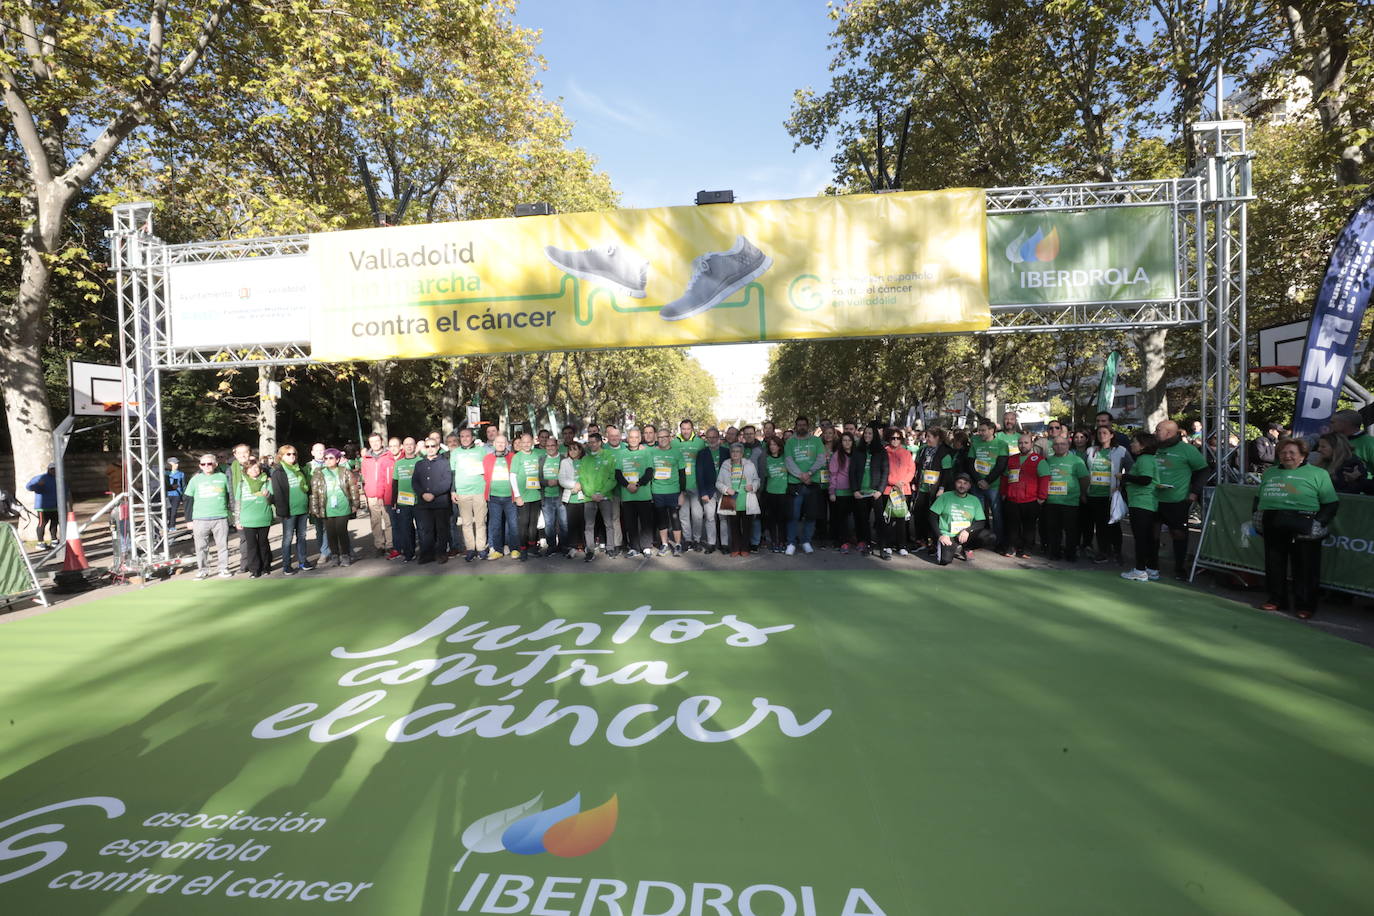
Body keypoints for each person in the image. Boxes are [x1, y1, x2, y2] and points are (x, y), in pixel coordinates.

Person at [1254, 438, 1339, 619]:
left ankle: (1305, 605)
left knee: (1305, 566)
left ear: (1303, 456)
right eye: (1283, 452)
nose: (1287, 456)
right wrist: (1256, 516)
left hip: (1303, 521)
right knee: (1274, 563)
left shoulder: (1318, 474)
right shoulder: (1269, 473)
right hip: (1273, 520)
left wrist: (1319, 523)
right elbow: (1258, 498)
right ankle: (1277, 599)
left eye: (1292, 453)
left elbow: (1331, 503)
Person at [1154, 419, 1209, 579]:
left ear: (1169, 433)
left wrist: (1194, 492)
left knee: (1178, 533)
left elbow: (1204, 470)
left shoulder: (1187, 450)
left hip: (1177, 499)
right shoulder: (1154, 448)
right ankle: (1151, 564)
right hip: (1153, 498)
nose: (1155, 433)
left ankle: (1179, 567)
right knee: (1152, 533)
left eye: (1158, 430)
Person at [309, 448, 363, 566]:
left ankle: (345, 555)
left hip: (343, 507)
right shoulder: (319, 473)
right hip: (327, 508)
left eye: (331, 458)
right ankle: (335, 555)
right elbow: (315, 492)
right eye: (326, 458)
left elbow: (353, 489)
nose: (328, 460)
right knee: (330, 533)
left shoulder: (345, 471)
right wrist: (315, 508)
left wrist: (355, 504)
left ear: (337, 459)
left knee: (341, 531)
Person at [1038, 436, 1089, 561]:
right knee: (1053, 529)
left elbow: (1085, 479)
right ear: (1052, 447)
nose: (1059, 446)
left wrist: (1082, 493)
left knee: (1071, 530)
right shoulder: (1047, 460)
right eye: (1056, 444)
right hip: (1052, 501)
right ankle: (1054, 552)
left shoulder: (1076, 460)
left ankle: (1070, 554)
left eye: (1062, 444)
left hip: (1070, 502)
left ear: (1068, 445)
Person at [1120, 432, 1162, 582]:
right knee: (1149, 538)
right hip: (1147, 502)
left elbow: (1145, 479)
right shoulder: (1149, 459)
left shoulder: (1144, 459)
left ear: (1143, 445)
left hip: (1141, 502)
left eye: (1135, 442)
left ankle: (1140, 569)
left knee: (1141, 538)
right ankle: (1151, 568)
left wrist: (1125, 477)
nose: (1131, 444)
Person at [1084, 424, 1128, 565]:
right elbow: (1085, 471)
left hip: (1111, 495)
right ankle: (1103, 551)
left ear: (1111, 435)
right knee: (1100, 525)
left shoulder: (1121, 451)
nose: (1102, 435)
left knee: (1114, 525)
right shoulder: (1090, 451)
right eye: (1099, 433)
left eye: (1105, 432)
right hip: (1094, 494)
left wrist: (1121, 485)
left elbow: (1132, 469)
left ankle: (1117, 552)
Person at [183, 453, 232, 579]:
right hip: (200, 518)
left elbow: (229, 495)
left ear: (215, 464)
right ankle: (203, 570)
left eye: (209, 463)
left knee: (222, 545)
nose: (206, 466)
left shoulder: (223, 477)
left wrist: (230, 512)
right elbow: (188, 499)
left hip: (220, 517)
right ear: (200, 466)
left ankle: (223, 568)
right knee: (201, 547)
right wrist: (188, 520)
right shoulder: (195, 479)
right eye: (203, 464)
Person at [783, 416, 826, 554]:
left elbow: (821, 459)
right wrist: (801, 475)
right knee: (793, 515)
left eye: (804, 425)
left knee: (811, 515)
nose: (801, 427)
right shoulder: (790, 442)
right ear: (795, 426)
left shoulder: (816, 440)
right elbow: (788, 461)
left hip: (812, 483)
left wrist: (809, 472)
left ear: (808, 426)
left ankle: (806, 541)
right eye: (799, 425)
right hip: (795, 484)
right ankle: (791, 543)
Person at [1002, 433, 1046, 558]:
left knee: (1029, 527)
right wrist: (1004, 493)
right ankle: (1012, 547)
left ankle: (1027, 549)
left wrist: (1042, 497)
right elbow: (1005, 477)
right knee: (1012, 526)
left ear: (1031, 444)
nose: (1023, 445)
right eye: (1020, 443)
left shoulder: (1039, 460)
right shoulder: (1012, 459)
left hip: (1031, 500)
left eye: (1026, 443)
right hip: (1012, 499)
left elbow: (1044, 478)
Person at [270, 445, 313, 575]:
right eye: (288, 454)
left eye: (294, 454)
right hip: (289, 511)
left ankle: (302, 561)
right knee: (287, 539)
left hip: (302, 508)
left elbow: (306, 487)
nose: (292, 456)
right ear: (281, 456)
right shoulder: (278, 471)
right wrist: (282, 511)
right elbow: (277, 493)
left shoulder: (299, 468)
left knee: (302, 536)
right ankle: (286, 565)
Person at [969, 419, 1010, 553]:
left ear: (992, 430)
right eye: (979, 430)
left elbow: (1001, 465)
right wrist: (979, 480)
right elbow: (970, 462)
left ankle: (999, 542)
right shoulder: (976, 443)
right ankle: (980, 540)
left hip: (994, 486)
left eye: (983, 430)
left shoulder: (1001, 444)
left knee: (997, 515)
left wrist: (988, 481)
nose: (980, 433)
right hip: (977, 485)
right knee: (979, 515)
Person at [409, 440, 453, 563]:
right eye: (427, 446)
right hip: (423, 503)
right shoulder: (419, 464)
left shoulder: (444, 463)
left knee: (441, 529)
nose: (430, 448)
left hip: (440, 501)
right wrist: (423, 493)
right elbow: (415, 482)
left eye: (433, 446)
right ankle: (427, 554)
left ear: (438, 447)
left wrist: (433, 493)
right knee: (426, 530)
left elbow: (446, 481)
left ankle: (441, 554)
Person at [450, 427, 490, 561]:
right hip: (462, 492)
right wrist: (453, 490)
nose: (465, 439)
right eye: (462, 436)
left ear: (472, 437)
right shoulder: (455, 453)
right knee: (466, 523)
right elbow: (453, 473)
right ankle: (471, 549)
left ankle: (481, 548)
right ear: (459, 439)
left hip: (479, 490)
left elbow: (487, 471)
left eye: (467, 436)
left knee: (480, 522)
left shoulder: (481, 450)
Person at [929, 472, 987, 565]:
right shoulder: (945, 496)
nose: (962, 485)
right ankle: (946, 546)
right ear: (955, 484)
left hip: (964, 535)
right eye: (959, 482)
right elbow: (932, 517)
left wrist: (967, 530)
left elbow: (981, 522)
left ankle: (965, 548)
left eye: (965, 483)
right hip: (948, 535)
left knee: (989, 537)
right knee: (944, 561)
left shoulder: (974, 500)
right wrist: (940, 535)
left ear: (969, 486)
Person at [615, 426, 655, 557]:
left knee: (646, 523)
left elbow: (649, 472)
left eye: (636, 437)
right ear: (627, 438)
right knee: (630, 523)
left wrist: (637, 484)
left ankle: (646, 547)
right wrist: (627, 485)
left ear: (640, 438)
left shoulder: (646, 452)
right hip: (627, 495)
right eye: (631, 437)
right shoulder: (621, 453)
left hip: (643, 494)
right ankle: (634, 547)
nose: (633, 439)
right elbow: (618, 474)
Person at [715, 441, 760, 556]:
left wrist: (753, 486)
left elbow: (757, 480)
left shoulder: (749, 464)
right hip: (731, 499)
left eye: (738, 452)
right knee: (733, 526)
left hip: (746, 499)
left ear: (742, 453)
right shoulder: (725, 465)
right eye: (733, 451)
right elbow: (718, 483)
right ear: (730, 453)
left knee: (747, 526)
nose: (735, 454)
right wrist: (726, 489)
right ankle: (735, 547)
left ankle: (745, 548)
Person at [578, 432, 618, 561]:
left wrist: (602, 493)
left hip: (605, 497)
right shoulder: (585, 459)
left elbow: (613, 477)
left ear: (600, 442)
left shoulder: (609, 456)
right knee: (589, 526)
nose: (592, 445)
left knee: (608, 524)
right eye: (589, 443)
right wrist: (591, 494)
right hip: (590, 498)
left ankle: (610, 548)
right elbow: (582, 479)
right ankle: (590, 550)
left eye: (594, 442)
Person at [232, 457, 275, 578]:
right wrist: (237, 520)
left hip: (263, 517)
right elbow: (238, 502)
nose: (254, 470)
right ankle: (254, 569)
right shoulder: (241, 484)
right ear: (246, 471)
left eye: (256, 467)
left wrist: (268, 496)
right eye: (250, 468)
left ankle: (266, 566)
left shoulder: (267, 482)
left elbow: (272, 500)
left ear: (260, 469)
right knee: (251, 545)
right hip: (247, 519)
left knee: (263, 543)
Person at [878, 429, 916, 559]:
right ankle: (887, 545)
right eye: (893, 438)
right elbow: (882, 470)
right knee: (888, 519)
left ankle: (902, 545)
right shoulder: (884, 452)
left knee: (901, 520)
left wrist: (903, 482)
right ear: (889, 439)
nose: (895, 440)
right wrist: (894, 482)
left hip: (903, 490)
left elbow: (911, 470)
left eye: (898, 438)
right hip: (888, 490)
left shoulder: (906, 453)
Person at [650, 428, 686, 556]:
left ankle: (678, 544)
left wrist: (682, 493)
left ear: (670, 438)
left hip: (673, 491)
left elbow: (682, 474)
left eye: (665, 436)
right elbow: (649, 473)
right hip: (658, 491)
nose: (662, 439)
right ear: (656, 439)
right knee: (662, 519)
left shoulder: (677, 452)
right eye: (659, 437)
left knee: (675, 518)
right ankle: (665, 544)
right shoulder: (652, 453)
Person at [359, 433, 395, 558]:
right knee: (375, 521)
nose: (375, 443)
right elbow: (364, 477)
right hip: (372, 494)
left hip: (386, 493)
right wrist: (365, 492)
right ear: (369, 443)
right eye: (372, 441)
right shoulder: (366, 459)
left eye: (377, 441)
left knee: (388, 520)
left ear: (381, 441)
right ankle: (379, 545)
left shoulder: (389, 456)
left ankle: (390, 545)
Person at [694, 427, 730, 553]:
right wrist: (703, 492)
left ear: (719, 438)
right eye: (709, 437)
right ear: (706, 439)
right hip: (708, 491)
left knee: (724, 518)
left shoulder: (726, 452)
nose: (712, 439)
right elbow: (699, 474)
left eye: (714, 437)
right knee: (709, 518)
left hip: (724, 490)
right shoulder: (702, 453)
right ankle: (711, 543)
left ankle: (725, 544)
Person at [509, 432, 544, 561]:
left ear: (533, 443)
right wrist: (517, 496)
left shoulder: (538, 455)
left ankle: (532, 548)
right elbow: (512, 476)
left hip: (536, 495)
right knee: (523, 524)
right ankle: (523, 549)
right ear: (521, 443)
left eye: (529, 442)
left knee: (533, 525)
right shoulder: (517, 457)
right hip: (523, 497)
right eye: (524, 442)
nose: (526, 444)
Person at [483, 434, 518, 559]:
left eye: (503, 442)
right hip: (494, 498)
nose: (500, 444)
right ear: (493, 444)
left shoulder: (513, 457)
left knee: (513, 524)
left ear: (507, 444)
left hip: (510, 497)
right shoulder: (487, 458)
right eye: (498, 442)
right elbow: (484, 476)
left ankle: (515, 548)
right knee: (495, 525)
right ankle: (498, 550)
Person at [674, 419, 707, 550]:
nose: (686, 431)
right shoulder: (674, 443)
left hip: (696, 485)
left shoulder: (700, 443)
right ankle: (687, 539)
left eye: (688, 428)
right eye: (683, 429)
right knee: (683, 515)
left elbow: (704, 463)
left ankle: (697, 539)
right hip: (680, 486)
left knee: (698, 515)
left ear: (692, 429)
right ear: (680, 429)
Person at [387, 438, 420, 562]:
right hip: (403, 502)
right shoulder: (398, 463)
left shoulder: (420, 461)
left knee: (422, 529)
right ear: (403, 447)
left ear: (415, 446)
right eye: (406, 445)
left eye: (411, 444)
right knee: (406, 529)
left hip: (419, 501)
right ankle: (409, 553)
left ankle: (426, 552)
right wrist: (393, 501)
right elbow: (395, 483)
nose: (409, 447)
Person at [828, 432, 858, 553]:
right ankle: (842, 541)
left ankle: (852, 539)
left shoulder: (857, 455)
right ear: (841, 442)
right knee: (841, 519)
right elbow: (833, 474)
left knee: (854, 518)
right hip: (840, 492)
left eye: (849, 440)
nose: (847, 443)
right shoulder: (836, 455)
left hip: (854, 491)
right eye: (844, 440)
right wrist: (832, 491)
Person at [538, 436, 569, 555]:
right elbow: (538, 478)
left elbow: (568, 475)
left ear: (557, 446)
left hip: (561, 497)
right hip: (546, 497)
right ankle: (551, 546)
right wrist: (547, 482)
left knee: (563, 523)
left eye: (552, 445)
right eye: (548, 446)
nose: (550, 448)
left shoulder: (563, 459)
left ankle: (564, 546)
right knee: (549, 524)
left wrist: (558, 481)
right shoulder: (541, 460)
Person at [559, 441, 589, 557]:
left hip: (584, 497)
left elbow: (589, 476)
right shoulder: (565, 462)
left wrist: (581, 485)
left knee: (584, 523)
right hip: (571, 498)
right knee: (572, 524)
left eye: (575, 449)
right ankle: (573, 546)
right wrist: (574, 485)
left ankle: (585, 545)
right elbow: (562, 479)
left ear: (580, 450)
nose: (572, 451)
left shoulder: (585, 461)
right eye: (570, 449)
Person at [1330, 409, 1374, 476]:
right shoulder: (1333, 441)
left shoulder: (1369, 443)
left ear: (1345, 423)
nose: (1330, 425)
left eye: (1333, 422)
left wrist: (1362, 479)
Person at [25, 465, 59, 547]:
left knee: (54, 523)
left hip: (55, 506)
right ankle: (40, 542)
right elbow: (28, 487)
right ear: (48, 469)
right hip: (43, 507)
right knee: (42, 523)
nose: (53, 471)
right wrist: (38, 485)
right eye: (52, 469)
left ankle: (54, 540)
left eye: (55, 469)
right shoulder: (41, 478)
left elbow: (65, 489)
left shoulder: (58, 479)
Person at [164, 457, 185, 529]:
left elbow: (183, 485)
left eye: (177, 463)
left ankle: (172, 526)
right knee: (167, 511)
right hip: (167, 495)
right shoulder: (164, 473)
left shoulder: (181, 474)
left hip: (177, 495)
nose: (177, 465)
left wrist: (184, 497)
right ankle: (166, 525)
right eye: (175, 463)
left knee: (174, 511)